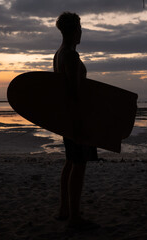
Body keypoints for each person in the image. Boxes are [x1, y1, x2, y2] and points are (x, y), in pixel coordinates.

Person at [53, 12, 98, 230]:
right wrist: (80, 123)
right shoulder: (70, 56)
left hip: (67, 118)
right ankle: (74, 218)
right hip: (75, 118)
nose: (82, 33)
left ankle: (64, 209)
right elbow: (74, 93)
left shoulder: (59, 53)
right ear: (74, 30)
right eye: (80, 28)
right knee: (79, 164)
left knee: (71, 161)